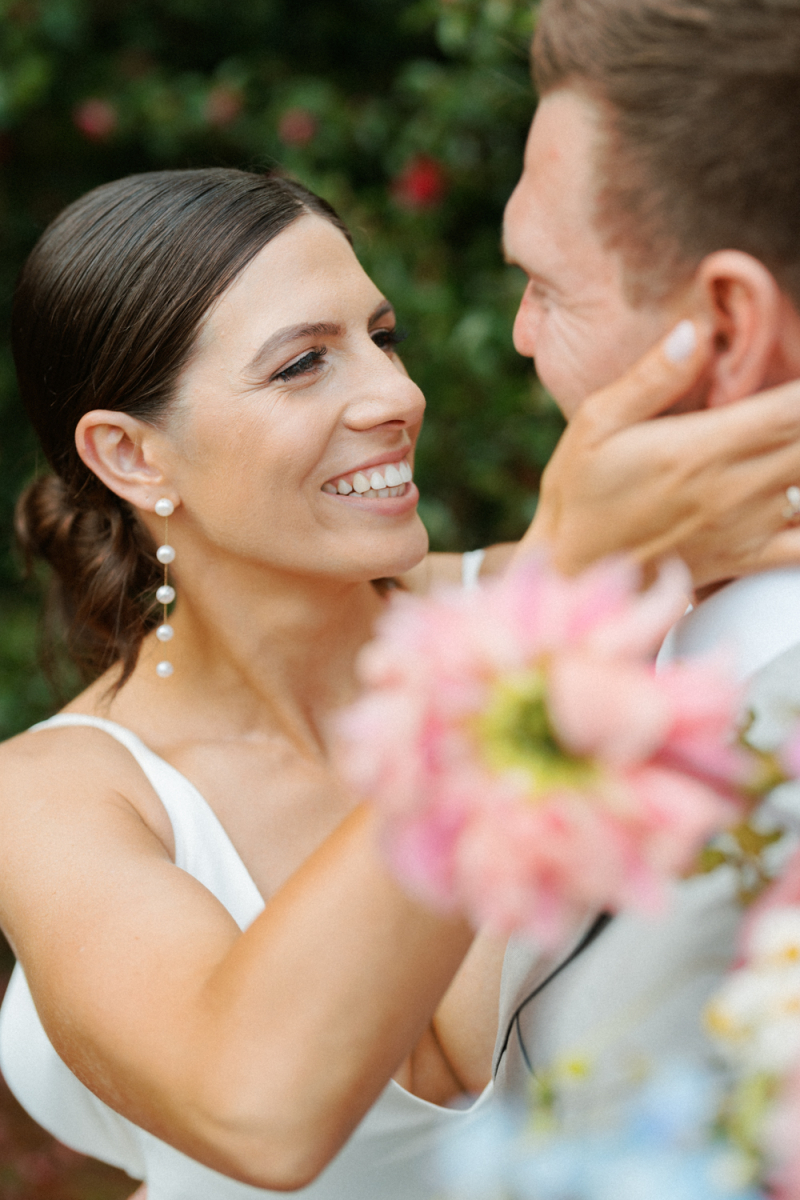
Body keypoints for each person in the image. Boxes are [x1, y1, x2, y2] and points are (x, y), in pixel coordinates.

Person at [1, 167, 800, 1200]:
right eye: (302, 366)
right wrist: (558, 582)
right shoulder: (57, 796)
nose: (394, 394)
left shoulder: (569, 589)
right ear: (131, 455)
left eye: (381, 338)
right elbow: (257, 1111)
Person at [493, 0, 800, 1116]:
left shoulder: (777, 737)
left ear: (721, 327)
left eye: (547, 286)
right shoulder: (643, 587)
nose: (519, 334)